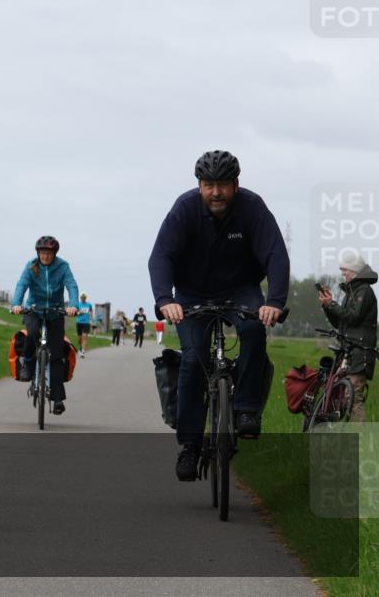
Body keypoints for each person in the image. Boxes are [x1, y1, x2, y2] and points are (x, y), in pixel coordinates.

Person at [148, 150, 289, 481]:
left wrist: (276, 301)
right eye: (208, 184)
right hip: (192, 293)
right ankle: (190, 445)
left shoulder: (253, 208)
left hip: (240, 289)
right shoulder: (184, 209)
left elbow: (276, 255)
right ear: (199, 186)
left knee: (254, 330)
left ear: (235, 184)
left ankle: (246, 409)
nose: (215, 192)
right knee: (194, 359)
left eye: (222, 185)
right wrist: (164, 298)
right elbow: (161, 256)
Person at [10, 236, 79, 414]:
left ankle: (57, 399)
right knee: (31, 334)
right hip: (35, 309)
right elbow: (21, 285)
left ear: (54, 254)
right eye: (42, 253)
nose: (45, 257)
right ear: (38, 253)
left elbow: (71, 286)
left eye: (48, 253)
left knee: (56, 355)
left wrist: (73, 305)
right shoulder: (31, 266)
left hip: (55, 312)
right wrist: (16, 304)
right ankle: (27, 364)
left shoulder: (63, 266)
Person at [318, 250, 377, 422]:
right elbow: (340, 323)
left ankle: (364, 442)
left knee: (353, 398)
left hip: (360, 354)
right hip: (349, 351)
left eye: (345, 270)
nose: (342, 273)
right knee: (342, 398)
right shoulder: (352, 292)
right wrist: (327, 306)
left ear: (355, 271)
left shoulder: (364, 291)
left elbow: (353, 317)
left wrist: (332, 304)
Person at [75, 293, 94, 358]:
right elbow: (75, 313)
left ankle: (83, 351)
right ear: (80, 298)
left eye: (84, 297)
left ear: (86, 298)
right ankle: (80, 346)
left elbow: (91, 313)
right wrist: (79, 313)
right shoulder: (78, 304)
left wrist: (91, 321)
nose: (83, 298)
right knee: (79, 339)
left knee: (84, 336)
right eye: (82, 297)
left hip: (86, 323)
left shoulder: (89, 305)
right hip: (79, 322)